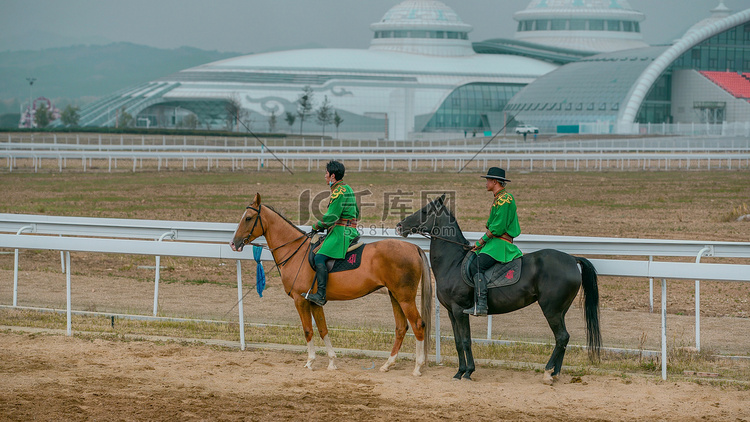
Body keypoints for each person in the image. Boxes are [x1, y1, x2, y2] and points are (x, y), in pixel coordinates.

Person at [464, 167, 523, 316]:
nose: (486, 183)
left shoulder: (505, 199)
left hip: (499, 244)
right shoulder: (500, 198)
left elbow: (498, 227)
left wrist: (481, 241)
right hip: (495, 242)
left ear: (495, 181)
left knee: (476, 266)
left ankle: (482, 304)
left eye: (488, 180)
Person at [304, 160, 360, 306]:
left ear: (333, 176)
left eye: (327, 174)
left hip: (341, 232)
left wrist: (317, 225)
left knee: (319, 258)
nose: (325, 176)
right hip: (349, 229)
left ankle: (321, 295)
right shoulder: (348, 188)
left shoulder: (338, 192)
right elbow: (357, 212)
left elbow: (332, 217)